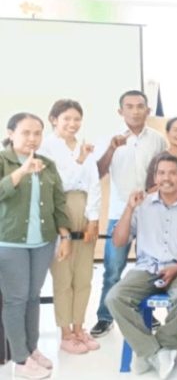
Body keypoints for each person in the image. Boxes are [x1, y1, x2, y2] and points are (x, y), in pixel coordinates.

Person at [106, 154, 177, 379]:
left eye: (172, 173)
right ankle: (152, 351)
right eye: (161, 173)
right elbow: (118, 241)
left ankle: (164, 343)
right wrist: (128, 209)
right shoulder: (141, 204)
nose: (166, 178)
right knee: (114, 298)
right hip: (147, 267)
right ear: (155, 177)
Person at [0, 112, 72, 379]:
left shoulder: (48, 164)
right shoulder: (3, 161)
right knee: (16, 300)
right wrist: (22, 170)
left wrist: (64, 237)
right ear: (10, 134)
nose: (32, 138)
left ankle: (32, 349)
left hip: (42, 241)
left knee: (33, 297)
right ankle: (19, 360)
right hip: (9, 243)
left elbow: (59, 202)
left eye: (37, 133)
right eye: (26, 133)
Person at [92, 90, 167, 337]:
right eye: (129, 106)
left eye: (140, 106)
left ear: (147, 110)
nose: (135, 111)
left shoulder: (157, 139)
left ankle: (149, 314)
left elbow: (163, 172)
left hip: (151, 214)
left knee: (150, 268)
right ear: (120, 111)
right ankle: (104, 317)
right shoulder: (109, 138)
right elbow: (98, 172)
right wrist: (112, 149)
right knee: (113, 268)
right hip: (119, 214)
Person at [38, 100, 102, 354]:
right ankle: (65, 332)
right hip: (59, 210)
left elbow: (94, 184)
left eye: (77, 119)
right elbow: (59, 184)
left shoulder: (84, 146)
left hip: (85, 209)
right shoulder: (46, 148)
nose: (72, 124)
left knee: (84, 276)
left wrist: (94, 219)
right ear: (54, 119)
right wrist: (81, 159)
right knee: (63, 277)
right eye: (67, 119)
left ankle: (79, 328)